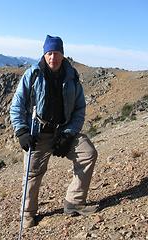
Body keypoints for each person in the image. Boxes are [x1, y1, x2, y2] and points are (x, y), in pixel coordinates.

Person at [10, 35, 98, 228]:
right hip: (38, 132)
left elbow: (79, 109)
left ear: (62, 54)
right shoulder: (32, 74)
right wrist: (22, 131)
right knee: (32, 173)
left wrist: (68, 134)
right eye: (49, 53)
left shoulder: (72, 76)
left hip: (63, 131)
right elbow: (16, 105)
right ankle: (27, 214)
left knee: (88, 153)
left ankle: (74, 202)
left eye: (56, 53)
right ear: (44, 54)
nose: (53, 57)